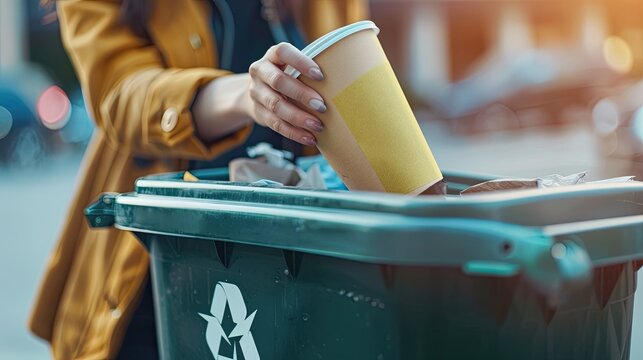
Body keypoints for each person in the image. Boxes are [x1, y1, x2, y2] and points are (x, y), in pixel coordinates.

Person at [28, 0, 368, 359]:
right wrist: (245, 95)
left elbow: (355, 74)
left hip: (301, 253)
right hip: (156, 263)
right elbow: (120, 95)